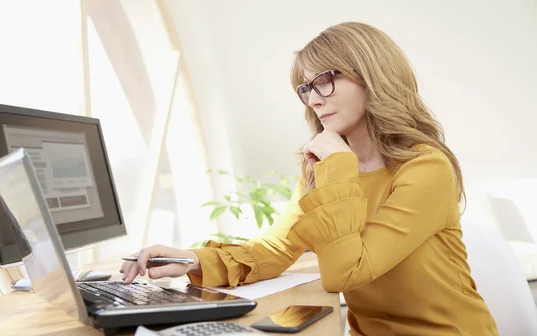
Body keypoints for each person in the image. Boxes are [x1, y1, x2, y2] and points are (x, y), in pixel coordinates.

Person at [120, 22, 498, 335]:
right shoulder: (325, 170)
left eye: (325, 80)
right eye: (305, 88)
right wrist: (187, 259)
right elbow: (272, 251)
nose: (313, 100)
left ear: (373, 78)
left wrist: (337, 168)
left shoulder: (425, 168)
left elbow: (345, 272)